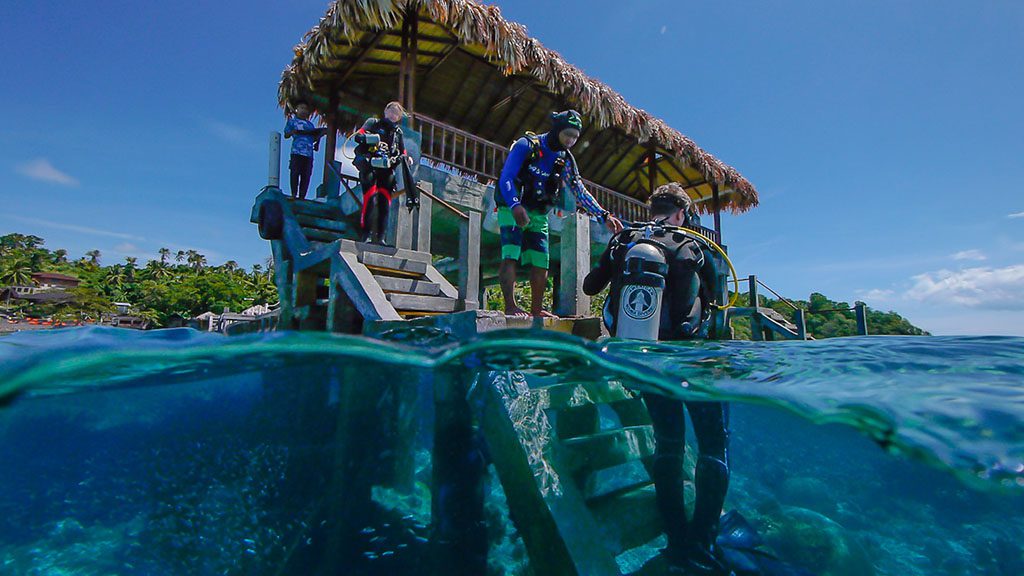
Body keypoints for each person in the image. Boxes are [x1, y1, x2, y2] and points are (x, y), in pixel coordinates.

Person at [583, 182, 730, 575]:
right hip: (693, 364)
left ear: (653, 208)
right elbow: (717, 303)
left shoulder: (624, 241)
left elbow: (589, 287)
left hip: (645, 361)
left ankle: (676, 537)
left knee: (668, 444)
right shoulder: (694, 246)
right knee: (714, 448)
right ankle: (702, 543)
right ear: (682, 213)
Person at [495, 110, 624, 317]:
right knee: (511, 253)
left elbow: (578, 190)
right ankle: (510, 306)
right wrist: (514, 205)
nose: (571, 140)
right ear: (556, 130)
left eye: (575, 137)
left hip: (538, 212)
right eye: (568, 134)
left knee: (541, 259)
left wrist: (603, 215)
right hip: (512, 206)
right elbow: (506, 177)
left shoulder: (564, 159)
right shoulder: (526, 145)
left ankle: (536, 310)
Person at [352, 101, 417, 245]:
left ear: (399, 117)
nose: (394, 115)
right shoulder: (373, 123)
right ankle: (365, 235)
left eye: (397, 114)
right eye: (392, 111)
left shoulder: (398, 133)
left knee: (384, 203)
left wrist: (407, 158)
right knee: (369, 199)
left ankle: (380, 237)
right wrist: (369, 140)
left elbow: (402, 151)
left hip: (387, 170)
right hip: (370, 166)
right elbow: (358, 136)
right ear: (385, 111)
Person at [283, 100, 327, 200]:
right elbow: (286, 134)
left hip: (308, 153)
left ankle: (302, 196)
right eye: (301, 108)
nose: (304, 111)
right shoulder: (292, 121)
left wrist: (319, 137)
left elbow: (314, 138)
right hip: (296, 152)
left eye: (306, 109)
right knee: (295, 172)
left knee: (306, 175)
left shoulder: (310, 125)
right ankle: (294, 194)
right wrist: (293, 132)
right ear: (296, 110)